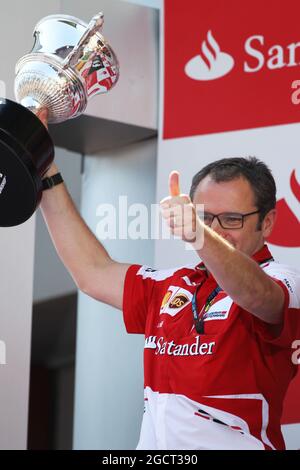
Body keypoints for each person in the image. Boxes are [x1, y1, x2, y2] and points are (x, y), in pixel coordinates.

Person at [40, 156, 300, 450]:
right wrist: (46, 171)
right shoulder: (171, 283)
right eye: (204, 218)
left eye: (231, 219)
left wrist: (200, 235)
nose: (216, 230)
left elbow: (257, 295)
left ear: (267, 223)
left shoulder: (280, 279)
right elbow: (92, 272)